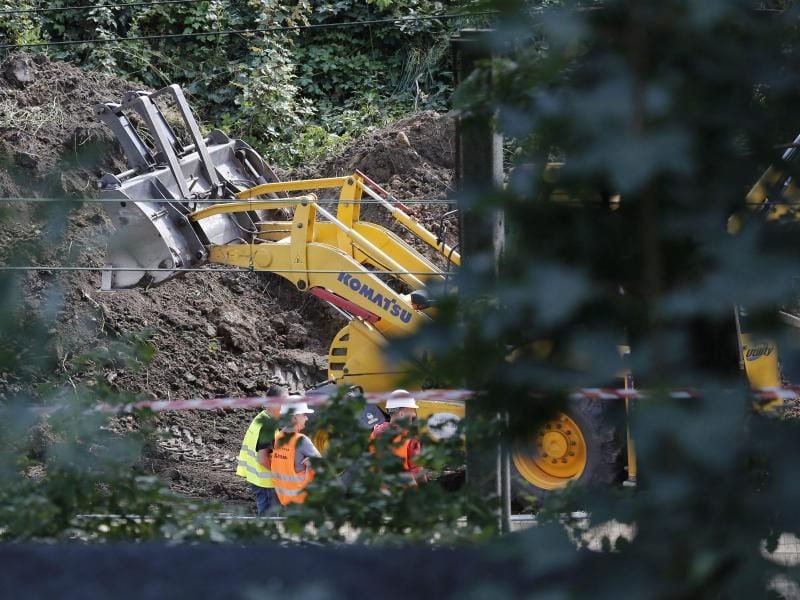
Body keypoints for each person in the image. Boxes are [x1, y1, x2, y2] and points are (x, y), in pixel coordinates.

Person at [236, 385, 285, 515]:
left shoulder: (262, 418)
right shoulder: (267, 427)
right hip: (266, 483)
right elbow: (263, 458)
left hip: (259, 480)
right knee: (268, 520)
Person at [271, 396, 322, 506]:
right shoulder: (301, 440)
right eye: (304, 415)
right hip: (303, 501)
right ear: (294, 418)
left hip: (285, 500)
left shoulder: (279, 437)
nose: (306, 418)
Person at [369, 389, 427, 485]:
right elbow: (417, 470)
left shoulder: (374, 433)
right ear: (402, 413)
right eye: (412, 411)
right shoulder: (411, 439)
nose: (414, 414)